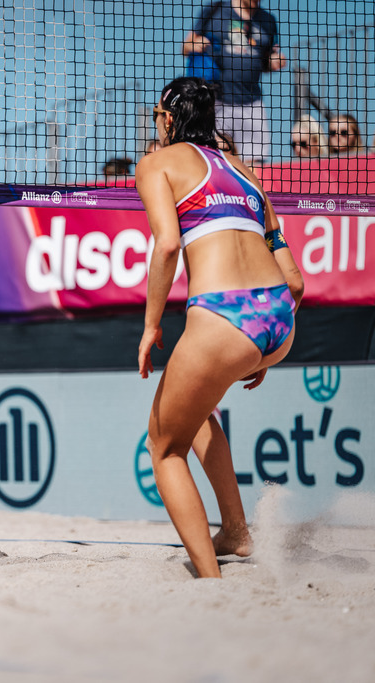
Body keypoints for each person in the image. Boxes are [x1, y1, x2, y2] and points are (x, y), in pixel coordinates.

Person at [135, 77, 303, 579]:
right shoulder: (246, 171)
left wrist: (149, 327)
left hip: (225, 317)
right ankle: (235, 532)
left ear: (167, 117)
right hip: (277, 320)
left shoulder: (156, 164)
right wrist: (258, 347)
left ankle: (210, 580)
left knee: (163, 448)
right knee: (199, 406)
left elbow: (166, 246)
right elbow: (295, 282)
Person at [183, 0, 287, 165]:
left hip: (251, 103)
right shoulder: (214, 10)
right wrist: (195, 45)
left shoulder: (268, 21)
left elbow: (267, 61)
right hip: (216, 101)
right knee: (213, 160)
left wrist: (274, 63)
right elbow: (186, 46)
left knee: (254, 165)